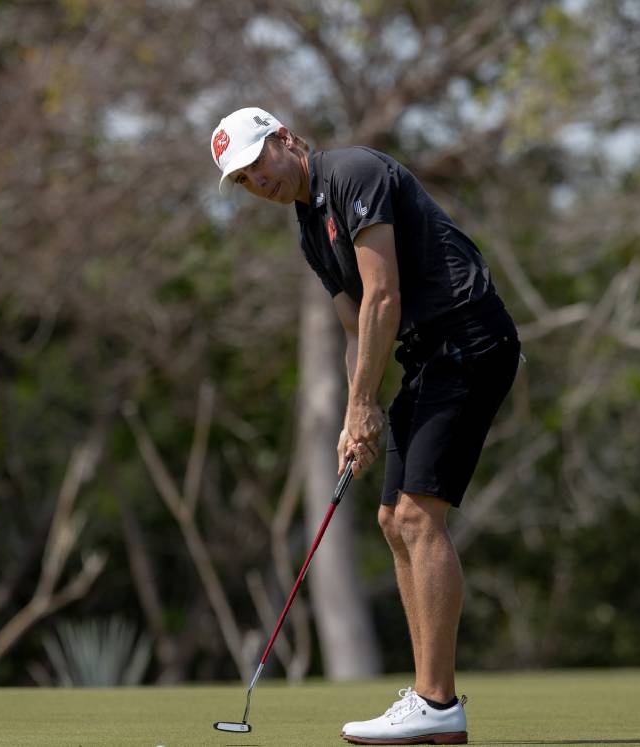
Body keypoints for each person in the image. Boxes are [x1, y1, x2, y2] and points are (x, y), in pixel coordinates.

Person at [210, 107, 521, 745]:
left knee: (416, 516)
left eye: (256, 163)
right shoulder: (308, 228)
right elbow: (357, 327)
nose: (257, 182)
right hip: (427, 358)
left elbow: (384, 296)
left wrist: (359, 404)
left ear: (285, 140)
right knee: (390, 518)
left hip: (468, 338)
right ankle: (430, 701)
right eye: (242, 180)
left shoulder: (353, 173)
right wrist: (364, 411)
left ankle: (437, 703)